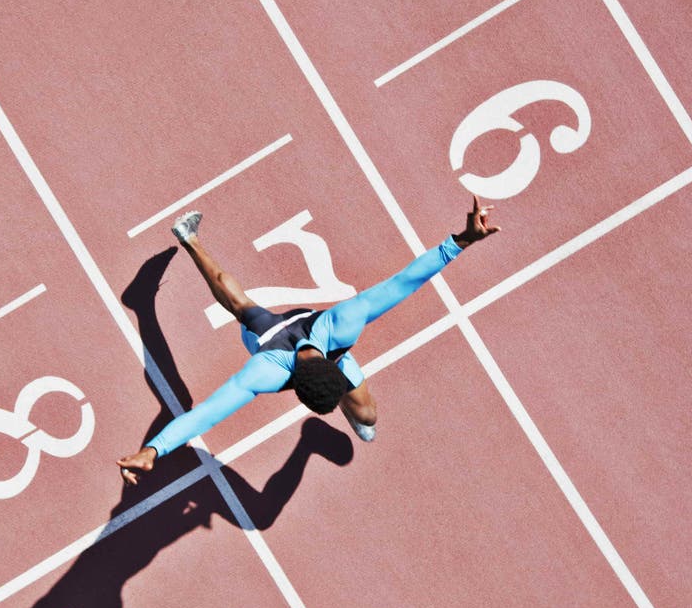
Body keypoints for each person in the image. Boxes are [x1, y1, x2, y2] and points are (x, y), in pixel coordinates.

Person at [116, 197, 500, 484]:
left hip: (308, 341)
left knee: (365, 416)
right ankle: (190, 238)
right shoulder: (266, 369)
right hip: (267, 341)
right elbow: (206, 413)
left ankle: (179, 253)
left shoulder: (342, 326)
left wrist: (462, 240)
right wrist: (155, 449)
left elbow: (403, 283)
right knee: (240, 306)